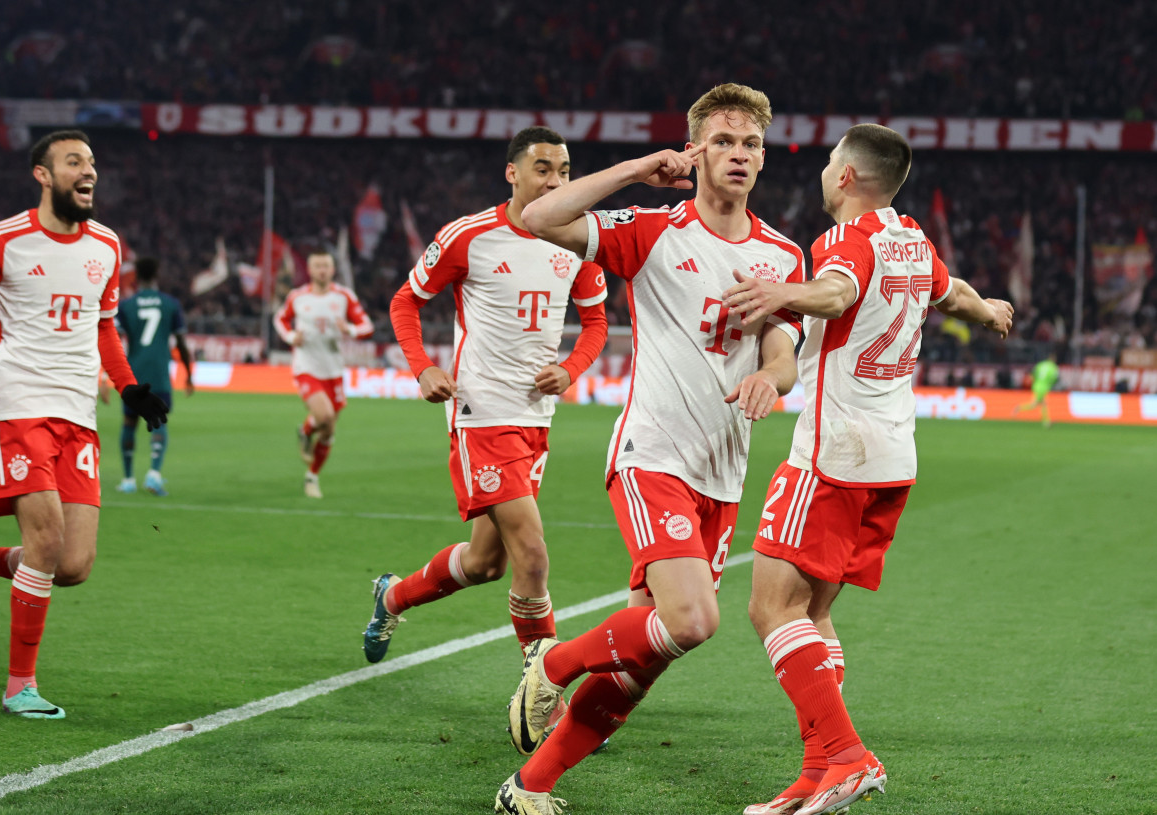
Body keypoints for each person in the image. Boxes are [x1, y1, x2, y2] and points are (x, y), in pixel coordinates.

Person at [497, 85, 804, 815]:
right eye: (724, 141)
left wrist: (770, 376)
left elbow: (785, 353)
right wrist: (639, 168)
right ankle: (553, 661)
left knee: (645, 653)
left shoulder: (781, 253)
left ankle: (528, 784)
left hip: (722, 476)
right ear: (696, 150)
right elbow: (535, 215)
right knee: (695, 620)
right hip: (652, 456)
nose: (739, 154)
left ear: (763, 159)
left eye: (751, 144)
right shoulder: (654, 231)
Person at [722, 123, 1014, 815]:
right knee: (813, 612)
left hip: (833, 453)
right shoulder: (914, 238)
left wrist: (781, 294)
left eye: (829, 162)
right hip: (892, 456)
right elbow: (952, 291)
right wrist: (987, 307)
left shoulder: (844, 242)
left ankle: (849, 756)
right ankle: (817, 771)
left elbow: (834, 292)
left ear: (848, 176)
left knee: (769, 606)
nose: (824, 171)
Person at [0, 129, 168, 719]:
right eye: (74, 162)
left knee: (72, 566)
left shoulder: (107, 246)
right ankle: (19, 686)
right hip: (18, 408)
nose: (89, 172)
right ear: (42, 173)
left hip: (78, 416)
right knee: (47, 540)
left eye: (92, 163)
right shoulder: (1, 241)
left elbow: (105, 327)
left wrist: (128, 385)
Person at [363, 126, 608, 669]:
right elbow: (406, 302)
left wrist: (570, 370)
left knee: (484, 563)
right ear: (512, 173)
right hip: (482, 413)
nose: (555, 181)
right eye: (543, 168)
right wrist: (423, 368)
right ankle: (543, 684)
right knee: (534, 556)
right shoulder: (468, 236)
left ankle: (391, 596)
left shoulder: (576, 239)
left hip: (536, 418)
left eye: (564, 171)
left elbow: (596, 323)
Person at [273, 249, 374, 498]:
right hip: (306, 367)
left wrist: (348, 329)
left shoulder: (343, 296)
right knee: (325, 416)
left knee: (328, 430)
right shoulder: (297, 297)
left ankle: (312, 474)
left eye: (325, 265)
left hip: (334, 370)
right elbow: (279, 319)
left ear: (332, 269)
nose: (321, 270)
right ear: (309, 269)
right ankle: (308, 431)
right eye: (317, 265)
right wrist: (289, 336)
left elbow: (367, 326)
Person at [115, 257, 194, 496]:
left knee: (129, 423)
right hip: (159, 375)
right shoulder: (170, 304)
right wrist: (189, 374)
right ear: (157, 275)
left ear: (136, 276)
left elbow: (115, 341)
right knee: (158, 421)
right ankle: (154, 474)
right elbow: (180, 342)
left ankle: (128, 479)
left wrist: (104, 376)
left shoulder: (127, 305)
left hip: (133, 374)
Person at [1012, 352, 1058, 427]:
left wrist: (1033, 380)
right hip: (1043, 387)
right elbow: (1054, 378)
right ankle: (1019, 408)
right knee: (1034, 405)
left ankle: (1046, 422)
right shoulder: (1053, 367)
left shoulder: (1041, 364)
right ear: (1054, 359)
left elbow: (1033, 373)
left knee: (1043, 404)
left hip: (1036, 385)